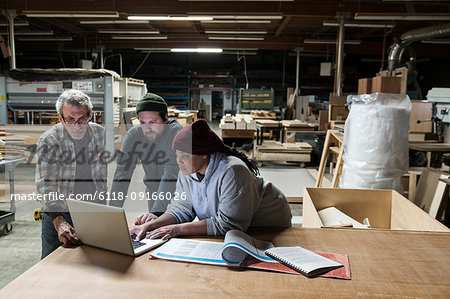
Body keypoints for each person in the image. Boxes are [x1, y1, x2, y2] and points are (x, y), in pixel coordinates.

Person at [131, 119, 292, 240]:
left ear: (204, 153)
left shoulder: (232, 171)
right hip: (238, 228)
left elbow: (228, 225)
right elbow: (181, 209)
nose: (179, 161)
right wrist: (151, 224)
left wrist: (176, 229)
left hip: (268, 225)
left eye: (185, 156)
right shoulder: (186, 171)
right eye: (177, 155)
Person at [36, 89, 107, 259]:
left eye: (82, 118)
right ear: (60, 118)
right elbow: (46, 185)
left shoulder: (99, 134)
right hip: (59, 212)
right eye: (70, 119)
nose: (77, 125)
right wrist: (59, 221)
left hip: (92, 209)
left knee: (94, 261)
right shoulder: (49, 140)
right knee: (52, 264)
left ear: (90, 114)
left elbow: (100, 175)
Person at [110, 93, 182, 220]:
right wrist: (113, 212)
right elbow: (122, 173)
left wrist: (156, 213)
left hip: (178, 193)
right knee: (155, 232)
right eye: (143, 122)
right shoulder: (134, 135)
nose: (147, 128)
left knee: (174, 231)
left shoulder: (175, 133)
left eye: (153, 122)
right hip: (153, 190)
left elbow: (171, 174)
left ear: (165, 118)